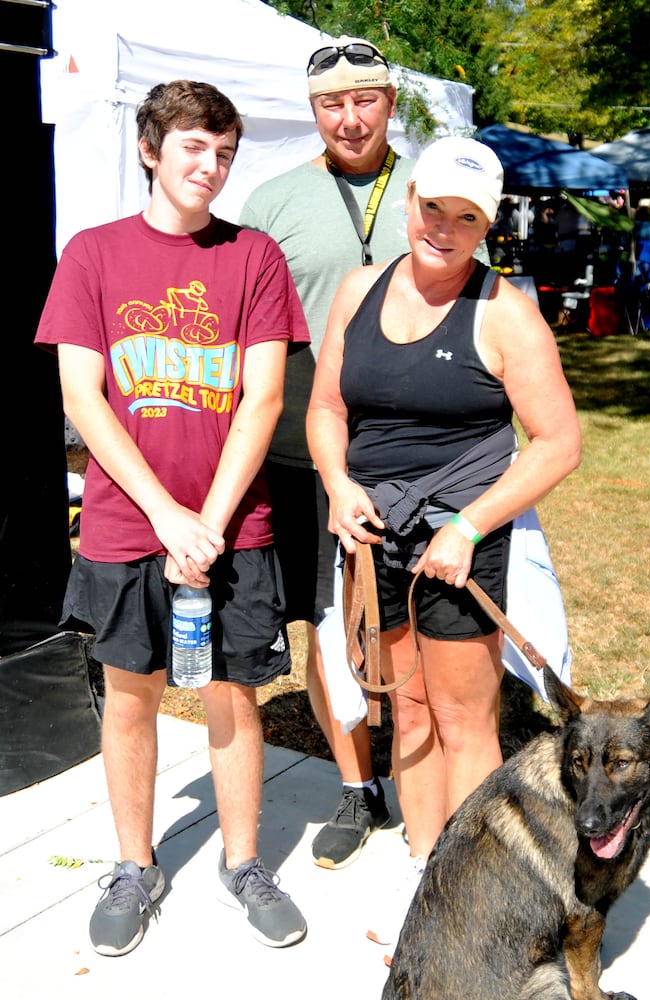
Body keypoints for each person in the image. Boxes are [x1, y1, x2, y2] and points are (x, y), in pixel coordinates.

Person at [34, 80, 310, 956]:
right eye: (194, 147)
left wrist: (211, 523)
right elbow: (83, 394)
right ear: (151, 149)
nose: (211, 167)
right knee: (131, 699)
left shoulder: (253, 257)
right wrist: (166, 517)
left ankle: (243, 863)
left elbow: (262, 398)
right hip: (125, 527)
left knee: (232, 693)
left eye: (224, 153)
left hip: (235, 528)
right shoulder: (93, 254)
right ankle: (133, 865)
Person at [306, 135, 582, 949]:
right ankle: (426, 865)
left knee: (465, 719)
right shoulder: (359, 289)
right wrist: (338, 484)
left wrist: (468, 525)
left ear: (485, 227)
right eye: (434, 207)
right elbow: (326, 409)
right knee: (409, 708)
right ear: (409, 200)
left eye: (466, 218)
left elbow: (558, 441)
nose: (444, 228)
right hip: (372, 531)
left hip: (459, 537)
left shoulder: (505, 313)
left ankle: (470, 892)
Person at [238, 36, 417, 871]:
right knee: (325, 627)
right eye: (331, 104)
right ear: (313, 112)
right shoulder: (273, 201)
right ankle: (358, 789)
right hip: (304, 449)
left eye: (366, 99)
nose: (350, 118)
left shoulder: (433, 187)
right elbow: (249, 335)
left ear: (391, 102)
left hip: (417, 444)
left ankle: (428, 785)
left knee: (417, 626)